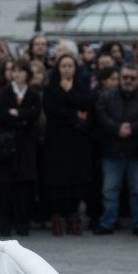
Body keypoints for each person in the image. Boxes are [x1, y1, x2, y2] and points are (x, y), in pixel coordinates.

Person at [93, 62, 138, 235]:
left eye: (132, 78)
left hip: (137, 152)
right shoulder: (107, 96)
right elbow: (101, 116)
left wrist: (132, 128)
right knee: (110, 190)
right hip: (112, 151)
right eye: (125, 77)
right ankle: (108, 222)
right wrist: (116, 128)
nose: (128, 81)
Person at [0, 58, 41, 239]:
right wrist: (22, 116)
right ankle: (5, 224)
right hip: (6, 149)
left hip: (25, 149)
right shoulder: (4, 93)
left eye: (21, 71)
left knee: (23, 189)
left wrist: (19, 114)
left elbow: (34, 116)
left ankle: (22, 224)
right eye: (15, 70)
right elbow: (1, 116)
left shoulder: (33, 94)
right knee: (4, 189)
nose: (17, 74)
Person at [40, 52, 91, 237]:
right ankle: (57, 218)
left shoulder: (80, 86)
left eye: (70, 66)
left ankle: (73, 218)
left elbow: (85, 104)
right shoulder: (51, 88)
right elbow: (52, 110)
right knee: (56, 180)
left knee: (74, 180)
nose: (67, 69)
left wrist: (69, 94)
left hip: (76, 141)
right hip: (56, 141)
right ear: (58, 69)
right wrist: (73, 114)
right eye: (64, 66)